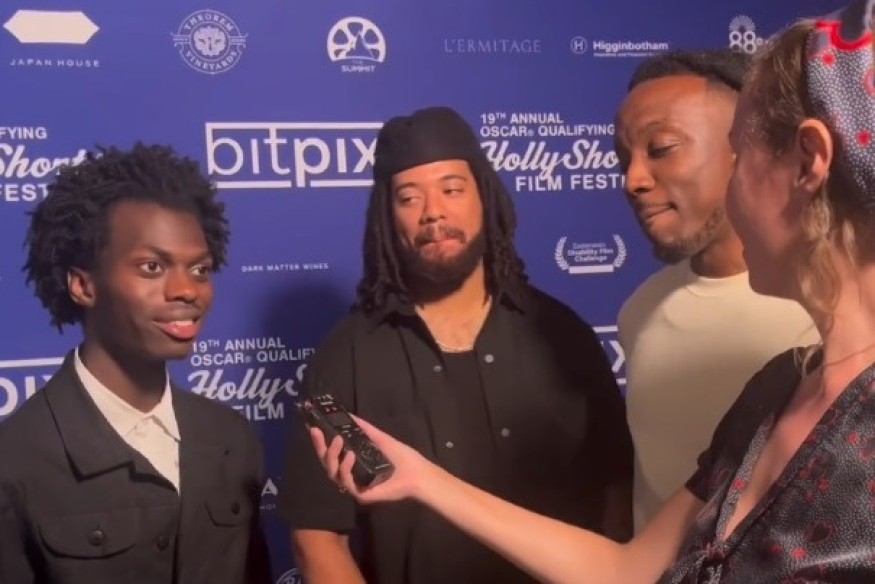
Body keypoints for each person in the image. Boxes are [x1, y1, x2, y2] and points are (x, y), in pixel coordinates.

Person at [311, 1, 875, 580]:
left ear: (808, 161)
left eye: (743, 153)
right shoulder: (774, 389)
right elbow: (627, 571)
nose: (633, 180)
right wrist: (424, 479)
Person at [278, 106, 633, 583]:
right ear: (386, 218)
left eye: (451, 189)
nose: (433, 212)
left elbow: (617, 492)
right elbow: (318, 537)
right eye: (409, 197)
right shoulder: (346, 358)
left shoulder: (563, 336)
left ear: (484, 197)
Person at [0, 143, 271, 583]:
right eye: (152, 267)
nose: (187, 290)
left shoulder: (233, 439)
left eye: (200, 269)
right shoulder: (14, 462)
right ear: (83, 286)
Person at [615, 49, 819, 531]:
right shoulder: (639, 311)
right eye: (624, 158)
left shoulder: (832, 310)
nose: (632, 179)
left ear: (746, 147)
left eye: (661, 148)